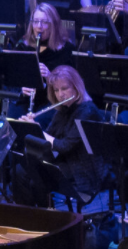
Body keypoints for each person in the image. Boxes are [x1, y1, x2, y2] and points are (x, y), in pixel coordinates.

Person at [10, 64, 105, 214]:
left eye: (64, 88)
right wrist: (30, 128)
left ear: (76, 87)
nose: (60, 94)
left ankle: (44, 217)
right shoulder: (64, 110)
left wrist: (37, 129)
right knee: (21, 170)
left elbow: (64, 146)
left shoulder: (87, 112)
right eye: (56, 90)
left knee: (37, 175)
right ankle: (31, 216)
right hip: (65, 161)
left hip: (83, 169)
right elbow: (46, 137)